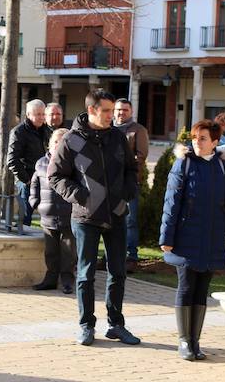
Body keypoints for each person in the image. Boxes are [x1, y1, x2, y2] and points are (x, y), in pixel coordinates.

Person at [48, 89, 140, 346]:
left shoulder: (118, 138)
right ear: (92, 110)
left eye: (113, 110)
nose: (113, 115)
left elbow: (132, 170)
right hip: (86, 217)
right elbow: (55, 177)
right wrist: (81, 196)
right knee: (86, 274)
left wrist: (127, 193)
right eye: (107, 111)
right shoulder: (72, 140)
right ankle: (86, 325)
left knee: (118, 272)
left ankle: (116, 325)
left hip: (117, 214)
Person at [160, 119, 225, 361]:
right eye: (196, 138)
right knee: (186, 287)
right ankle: (184, 341)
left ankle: (195, 341)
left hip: (213, 239)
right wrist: (166, 238)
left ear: (215, 142)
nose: (197, 142)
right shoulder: (183, 164)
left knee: (202, 290)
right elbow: (171, 203)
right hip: (186, 238)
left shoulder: (222, 166)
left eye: (203, 138)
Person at [29, 127, 75, 294]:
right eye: (56, 141)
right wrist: (35, 202)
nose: (58, 144)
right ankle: (50, 279)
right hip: (47, 215)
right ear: (50, 144)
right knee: (51, 251)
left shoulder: (74, 162)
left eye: (63, 142)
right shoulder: (41, 163)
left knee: (68, 251)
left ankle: (68, 280)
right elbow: (34, 184)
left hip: (68, 216)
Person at [113, 98, 149, 272]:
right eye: (119, 110)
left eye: (125, 110)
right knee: (110, 219)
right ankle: (111, 254)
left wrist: (119, 167)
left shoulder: (138, 130)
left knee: (130, 220)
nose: (121, 113)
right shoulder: (108, 128)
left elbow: (141, 156)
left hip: (129, 182)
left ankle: (131, 256)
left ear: (131, 112)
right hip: (109, 184)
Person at [7, 99, 49, 226]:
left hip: (44, 178)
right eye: (38, 114)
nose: (41, 117)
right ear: (29, 115)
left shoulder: (45, 130)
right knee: (25, 218)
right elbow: (12, 160)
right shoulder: (18, 132)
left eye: (43, 114)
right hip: (27, 180)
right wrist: (26, 179)